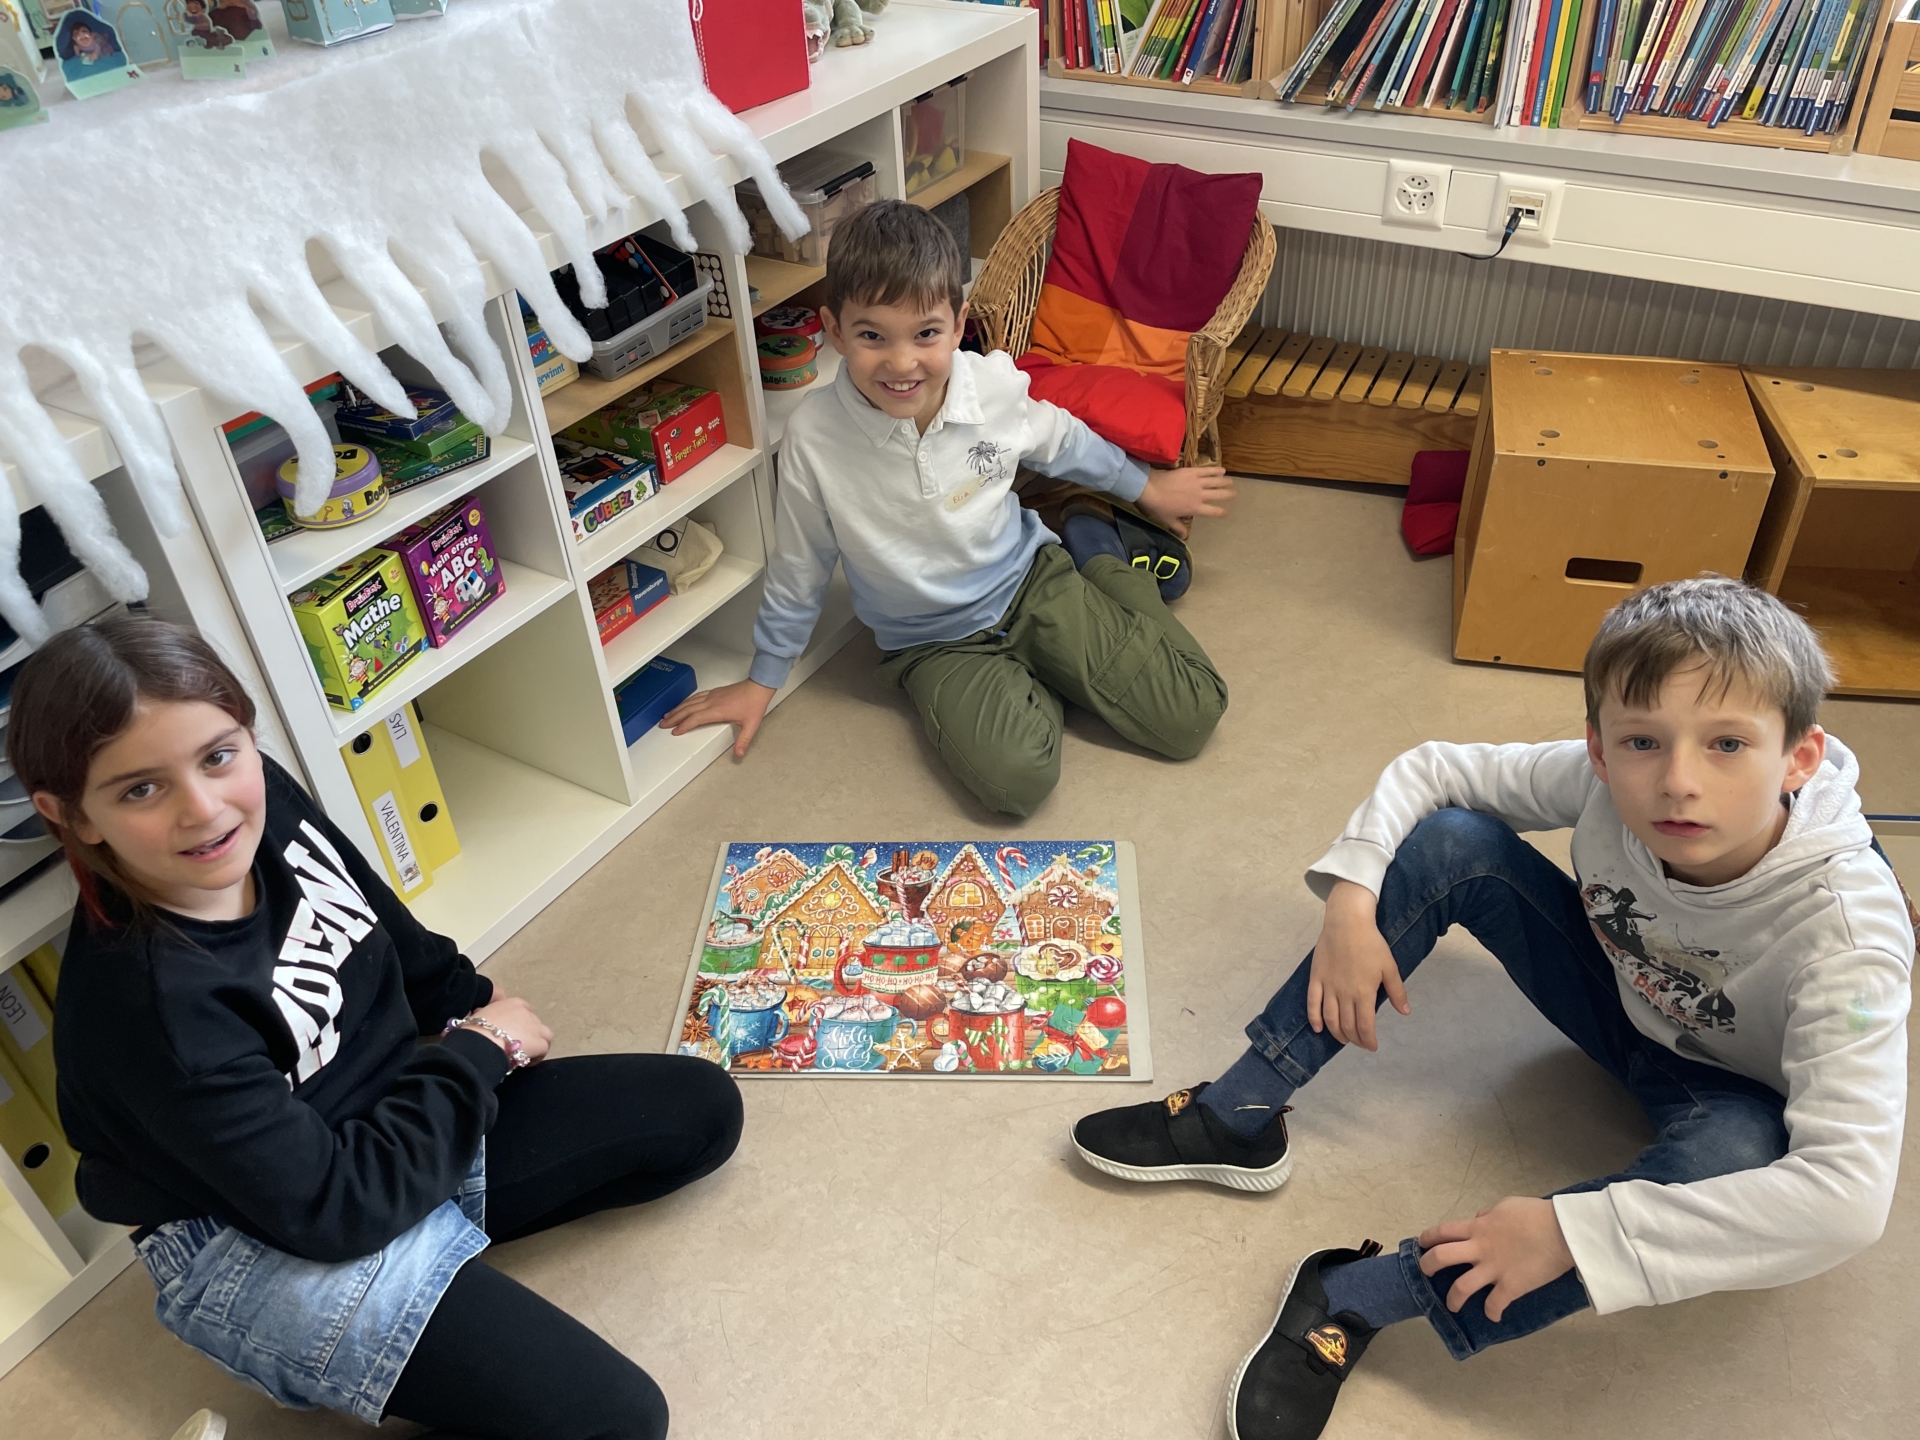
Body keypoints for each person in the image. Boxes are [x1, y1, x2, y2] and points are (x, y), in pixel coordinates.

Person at [1069, 577, 1913, 1440]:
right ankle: (1237, 1113)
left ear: (1800, 758)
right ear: (1599, 749)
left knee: (1738, 1155)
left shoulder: (1850, 940)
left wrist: (1573, 1232)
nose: (1679, 782)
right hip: (1625, 999)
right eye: (1642, 742)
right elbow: (1435, 769)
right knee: (1453, 842)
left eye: (1728, 744)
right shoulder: (1609, 779)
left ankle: (1352, 1296)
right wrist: (1352, 899)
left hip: (1732, 1091)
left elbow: (1846, 1200)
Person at [9, 615, 742, 1440]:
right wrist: (481, 1050)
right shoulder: (147, 1009)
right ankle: (410, 1279)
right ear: (70, 814)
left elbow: (375, 916)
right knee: (621, 1424)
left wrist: (468, 1000)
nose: (205, 810)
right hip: (265, 1231)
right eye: (140, 790)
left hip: (381, 1117)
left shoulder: (258, 796)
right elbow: (334, 1208)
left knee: (700, 1112)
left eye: (218, 755)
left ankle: (435, 1250)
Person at [660, 200, 1234, 817]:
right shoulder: (813, 436)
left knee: (1193, 715)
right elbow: (800, 565)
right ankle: (1049, 657)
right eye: (872, 336)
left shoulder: (992, 385)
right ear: (835, 331)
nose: (902, 362)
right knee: (1017, 785)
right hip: (932, 640)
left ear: (959, 325)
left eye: (926, 334)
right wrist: (763, 678)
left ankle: (1100, 556)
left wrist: (1147, 488)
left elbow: (1062, 439)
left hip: (1032, 582)